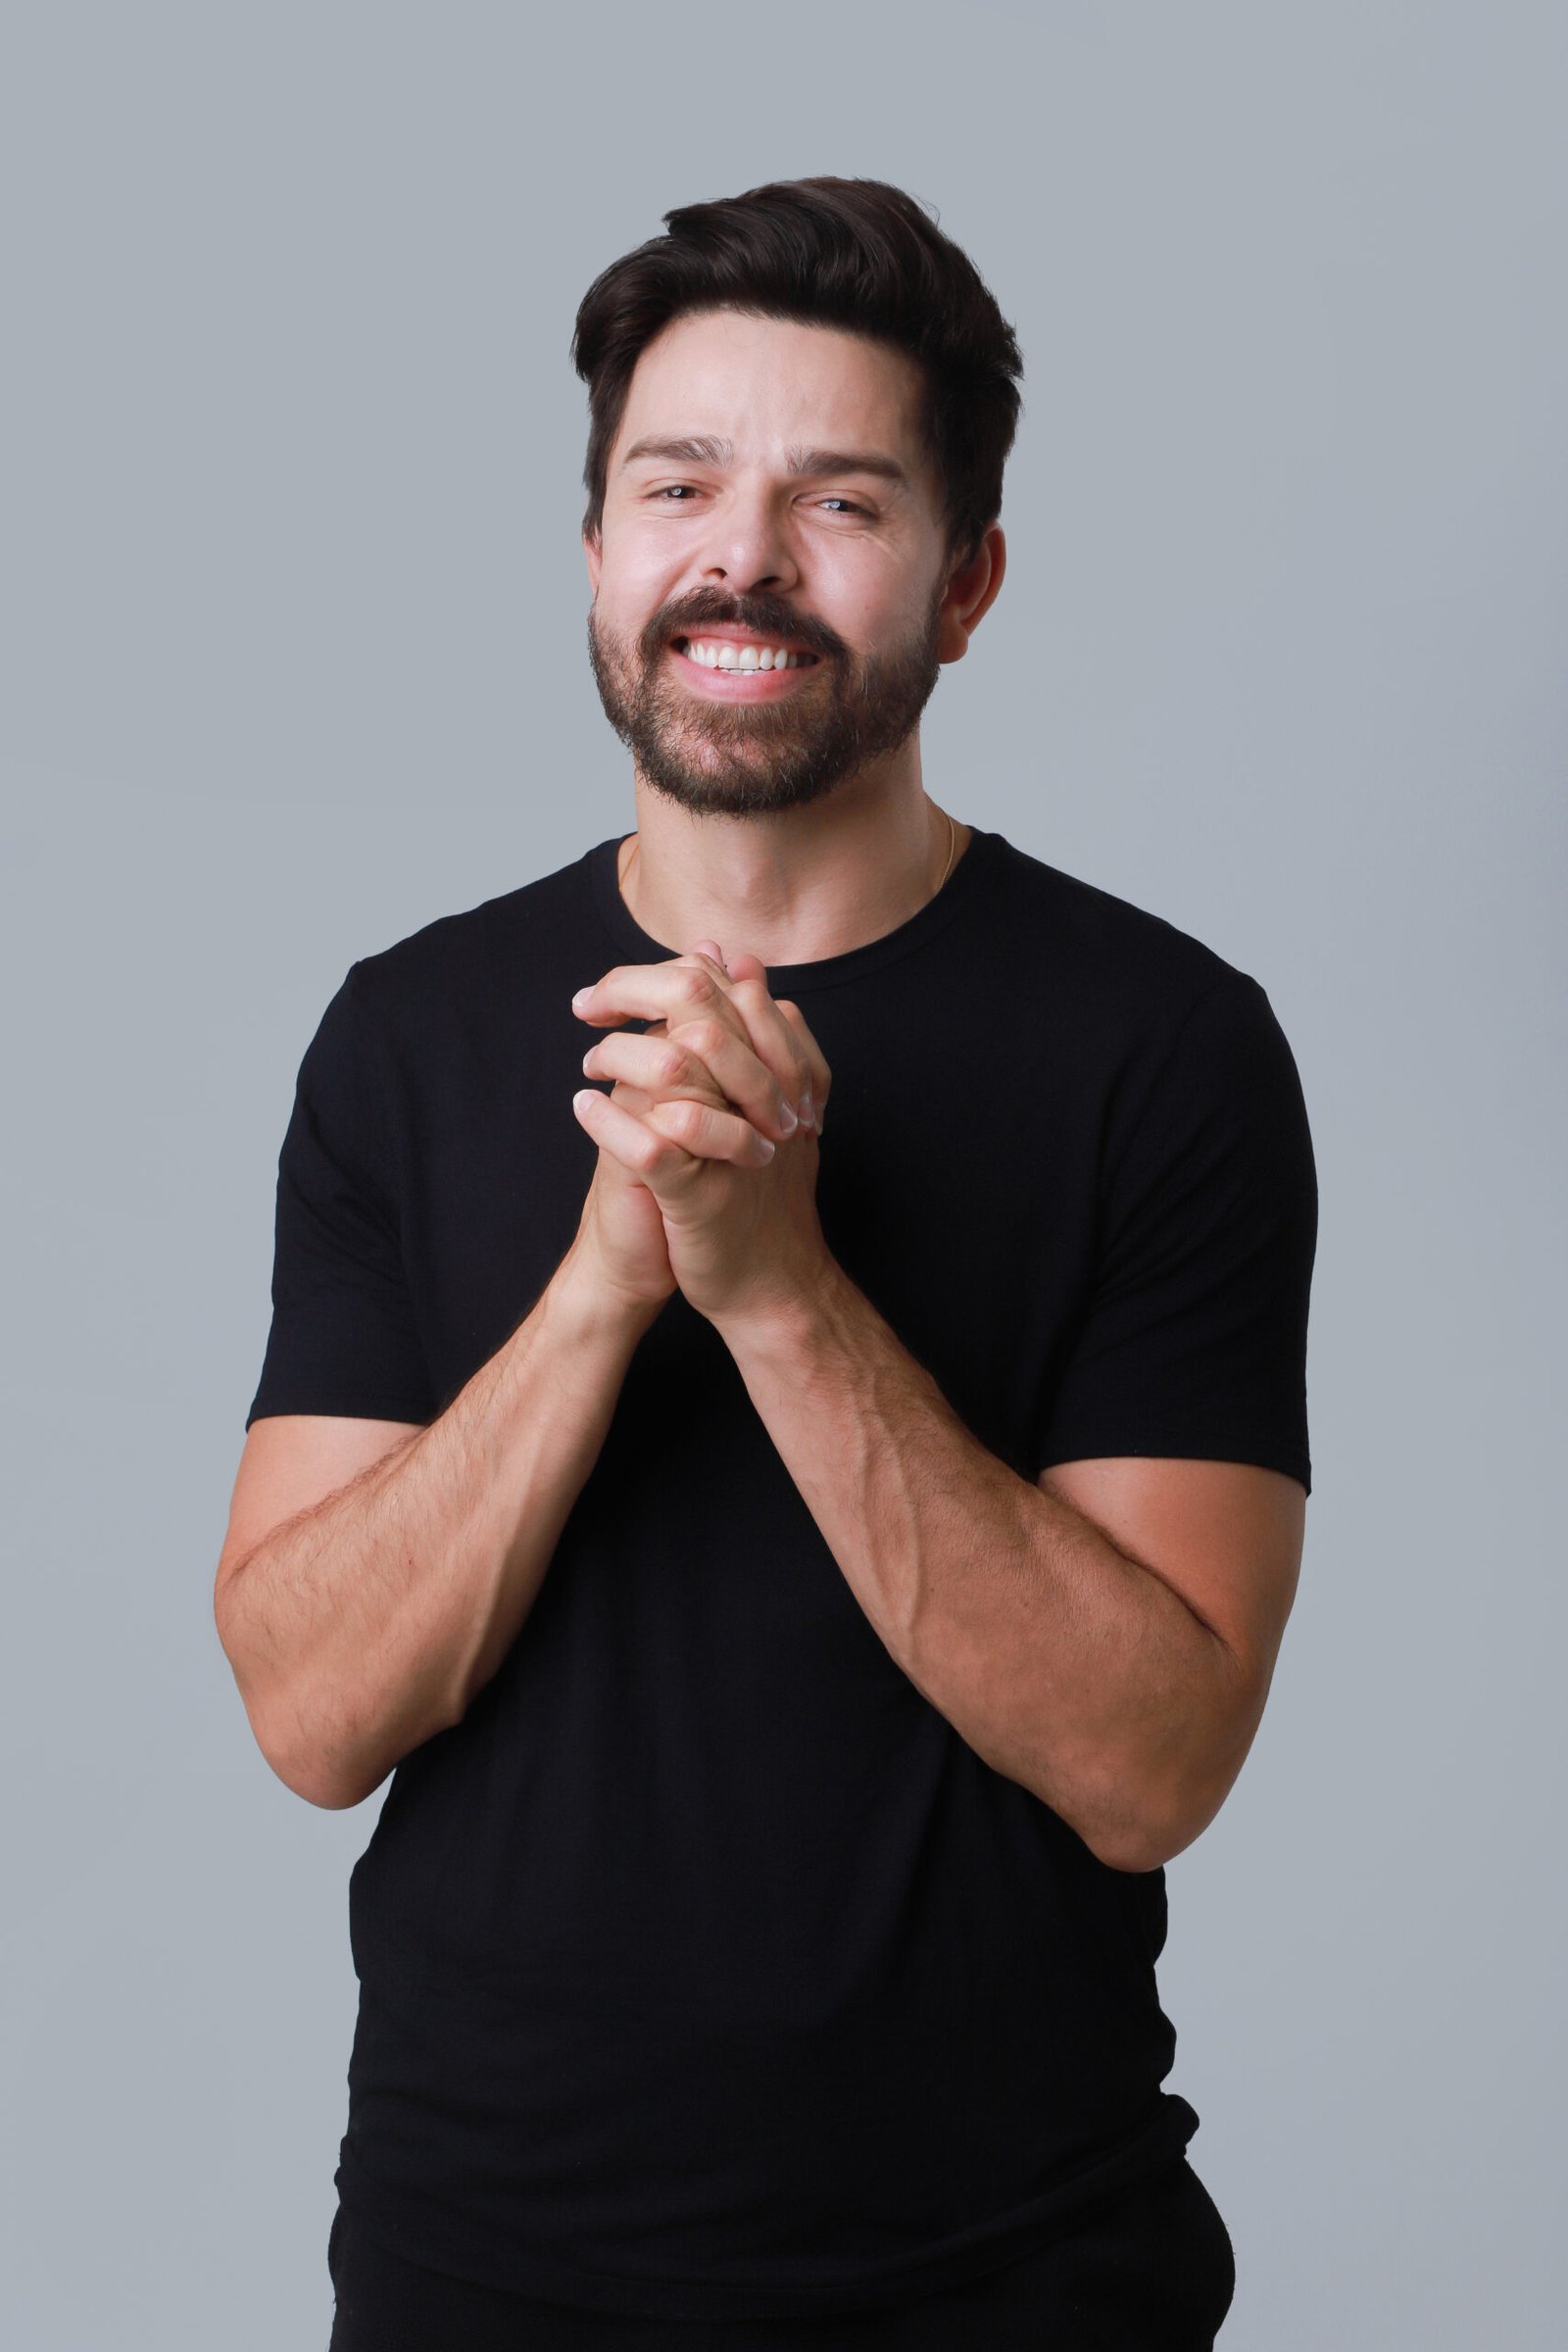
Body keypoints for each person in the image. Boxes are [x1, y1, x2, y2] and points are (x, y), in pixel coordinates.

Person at [215, 176, 1316, 2350]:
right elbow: (314, 1716)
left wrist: (777, 1284)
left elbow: (1151, 1765)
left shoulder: (1164, 1046)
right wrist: (609, 1279)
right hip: (478, 2266)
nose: (744, 559)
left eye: (841, 500)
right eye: (678, 485)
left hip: (1014, 2279)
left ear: (966, 581)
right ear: (596, 550)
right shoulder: (406, 1034)